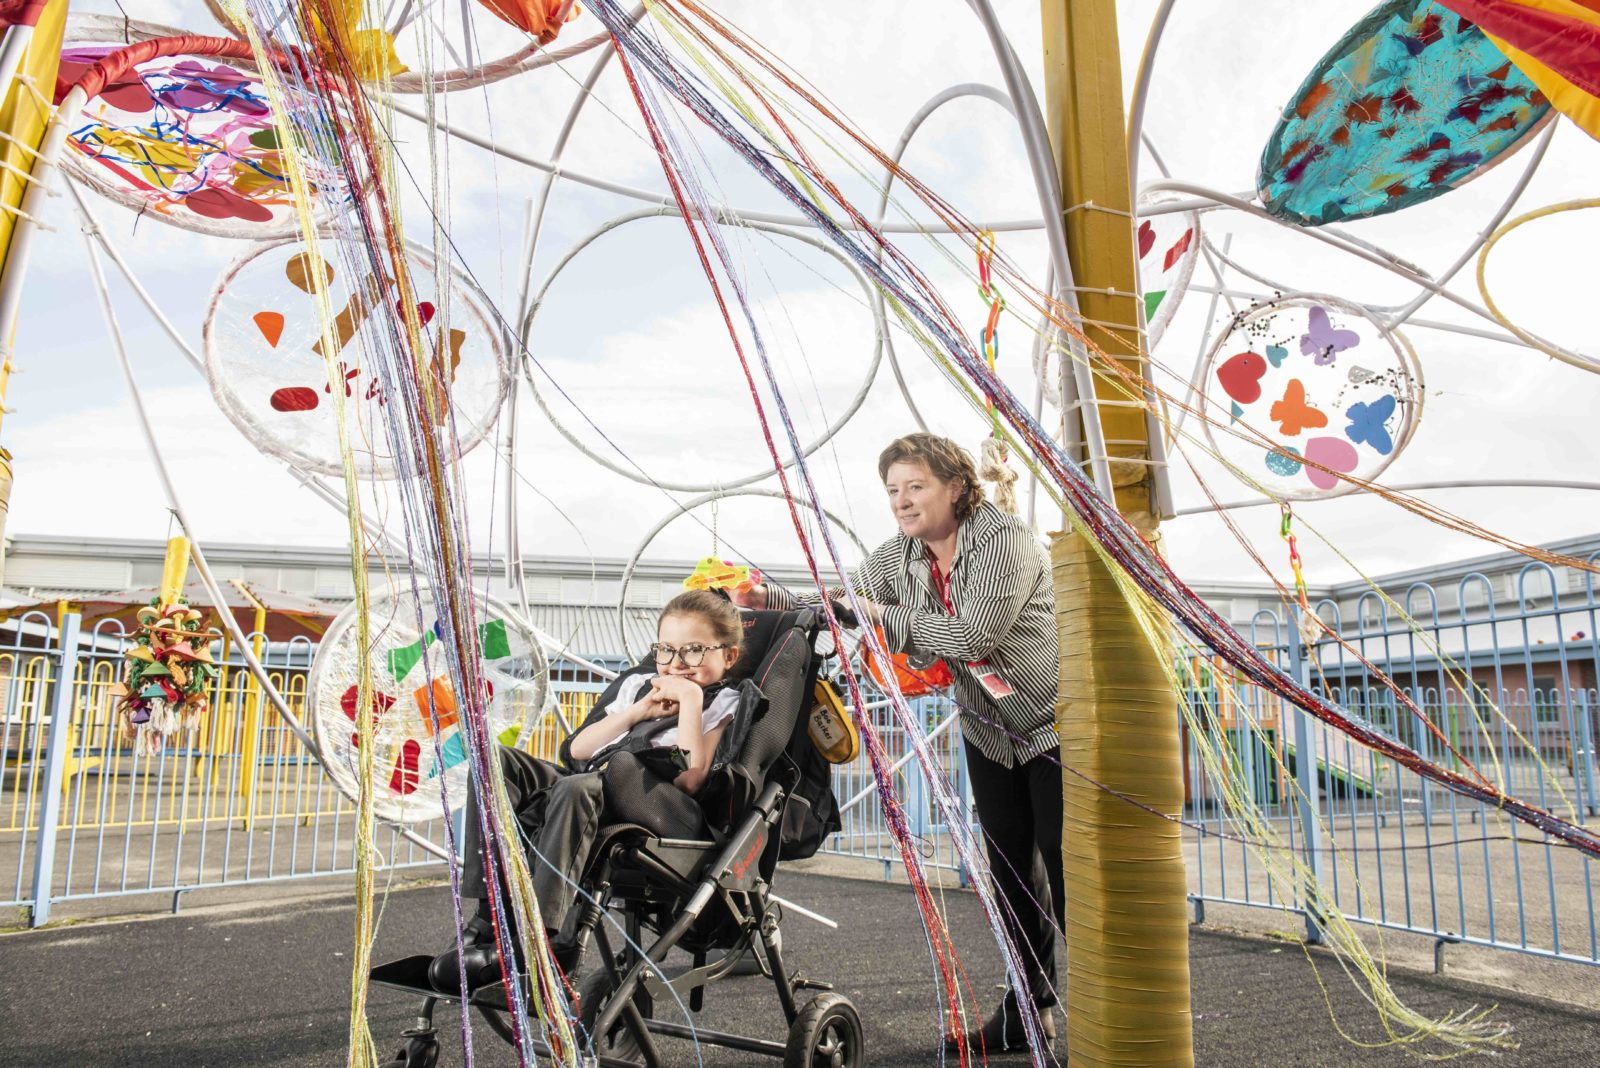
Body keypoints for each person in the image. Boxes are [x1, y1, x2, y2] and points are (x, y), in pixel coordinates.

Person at [738, 432, 1064, 1051]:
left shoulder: (1006, 540)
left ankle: (1113, 1015)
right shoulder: (899, 556)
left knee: (1071, 872)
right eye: (894, 491)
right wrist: (767, 599)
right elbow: (843, 603)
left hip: (1054, 726)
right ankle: (1030, 1011)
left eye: (917, 487)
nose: (903, 502)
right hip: (989, 730)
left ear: (957, 488)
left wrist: (881, 616)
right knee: (1013, 875)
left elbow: (972, 636)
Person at [430, 589, 750, 993]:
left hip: (659, 805)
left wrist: (690, 700)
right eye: (666, 651)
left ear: (729, 657)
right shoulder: (638, 685)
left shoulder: (726, 702)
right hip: (593, 782)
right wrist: (639, 711)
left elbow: (692, 778)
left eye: (694, 651)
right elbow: (578, 750)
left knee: (584, 785)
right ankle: (487, 918)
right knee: (494, 762)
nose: (676, 664)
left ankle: (550, 941)